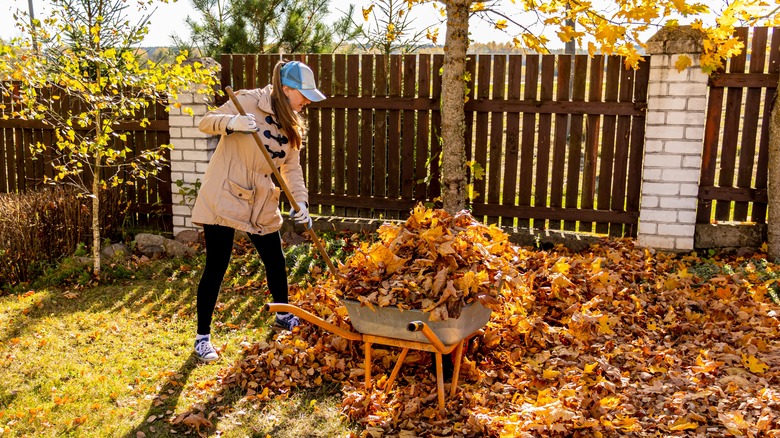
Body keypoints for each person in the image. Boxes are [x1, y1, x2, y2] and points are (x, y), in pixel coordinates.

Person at [190, 60, 326, 362]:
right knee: (217, 265)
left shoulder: (292, 120)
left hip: (262, 199)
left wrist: (300, 202)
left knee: (275, 260)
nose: (306, 102)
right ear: (286, 89)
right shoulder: (248, 101)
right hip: (225, 192)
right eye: (303, 95)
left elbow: (292, 166)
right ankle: (202, 338)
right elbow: (205, 122)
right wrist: (232, 123)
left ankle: (282, 315)